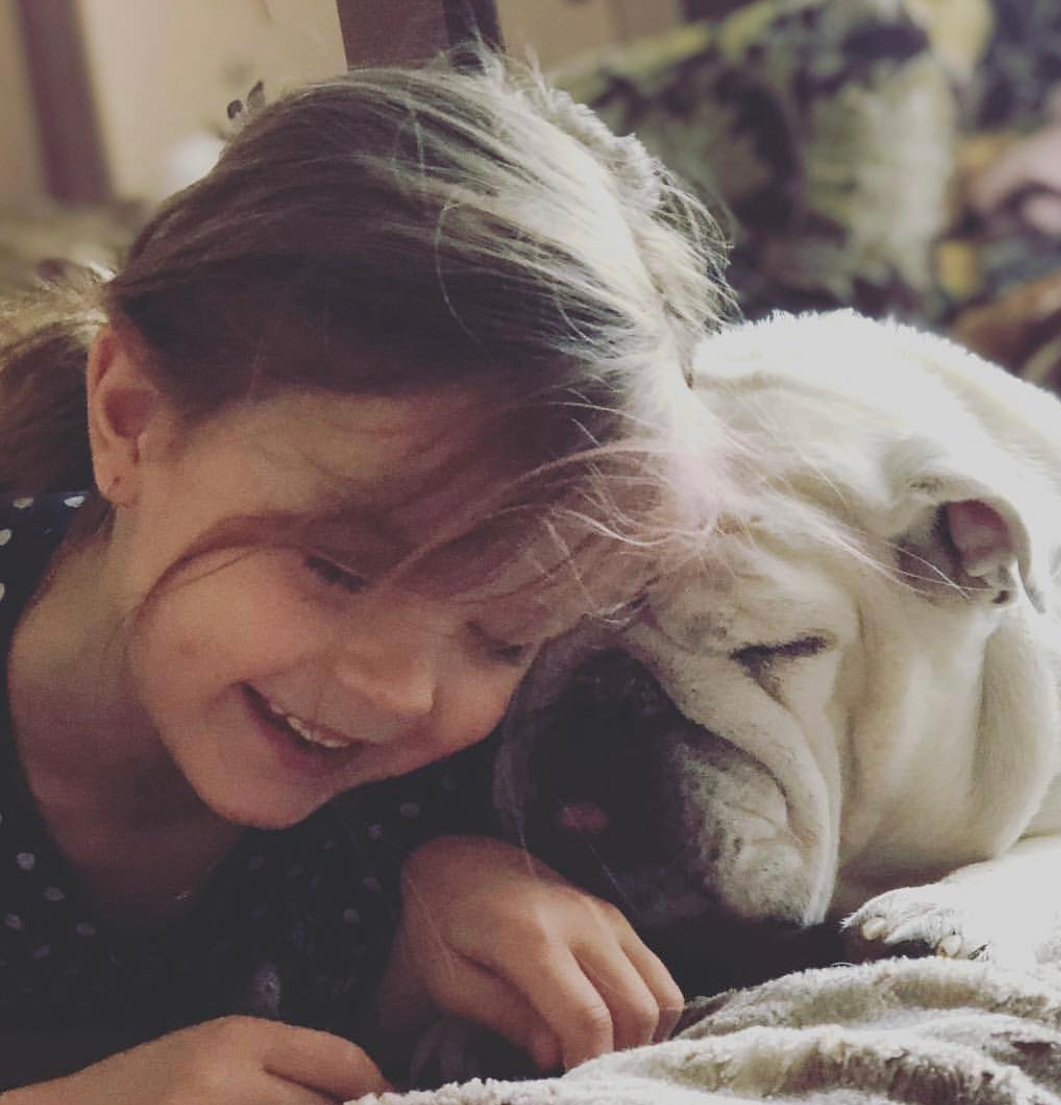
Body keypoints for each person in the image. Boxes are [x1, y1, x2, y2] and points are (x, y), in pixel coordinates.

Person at [0, 47, 732, 1103]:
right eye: (338, 570)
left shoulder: (437, 793)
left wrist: (439, 918)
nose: (401, 692)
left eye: (501, 636)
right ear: (131, 422)